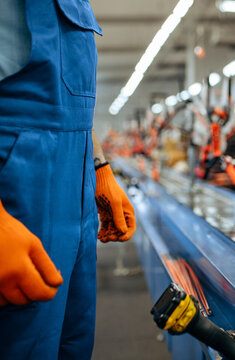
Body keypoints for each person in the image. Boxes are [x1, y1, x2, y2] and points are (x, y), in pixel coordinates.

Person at [0, 0, 136, 358]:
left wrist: (100, 167)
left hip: (74, 188)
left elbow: (73, 111)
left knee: (71, 343)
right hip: (18, 185)